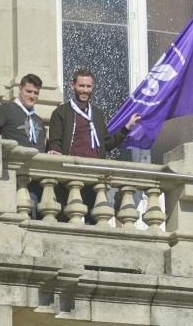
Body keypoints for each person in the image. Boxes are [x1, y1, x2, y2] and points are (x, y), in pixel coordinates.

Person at [48, 68, 141, 222]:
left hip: (95, 175)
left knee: (94, 220)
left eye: (88, 86)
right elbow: (55, 141)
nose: (85, 90)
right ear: (72, 86)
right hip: (71, 174)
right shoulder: (61, 112)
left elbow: (106, 144)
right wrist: (55, 152)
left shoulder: (97, 113)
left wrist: (127, 128)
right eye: (81, 86)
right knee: (68, 218)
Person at [0, 73, 46, 218]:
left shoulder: (39, 120)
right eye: (28, 91)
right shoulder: (5, 109)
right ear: (19, 89)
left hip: (37, 180)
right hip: (13, 179)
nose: (32, 96)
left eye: (36, 93)